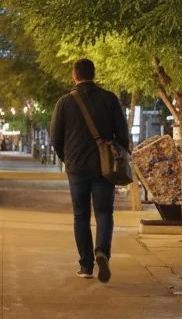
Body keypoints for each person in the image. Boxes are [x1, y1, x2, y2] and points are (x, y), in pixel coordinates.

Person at [49, 58, 131, 283]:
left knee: (81, 215)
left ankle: (86, 266)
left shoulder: (64, 102)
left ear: (74, 76)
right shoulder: (109, 99)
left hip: (76, 168)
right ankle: (102, 251)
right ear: (94, 75)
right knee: (104, 212)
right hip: (104, 167)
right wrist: (116, 152)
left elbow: (55, 137)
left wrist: (67, 159)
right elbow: (123, 134)